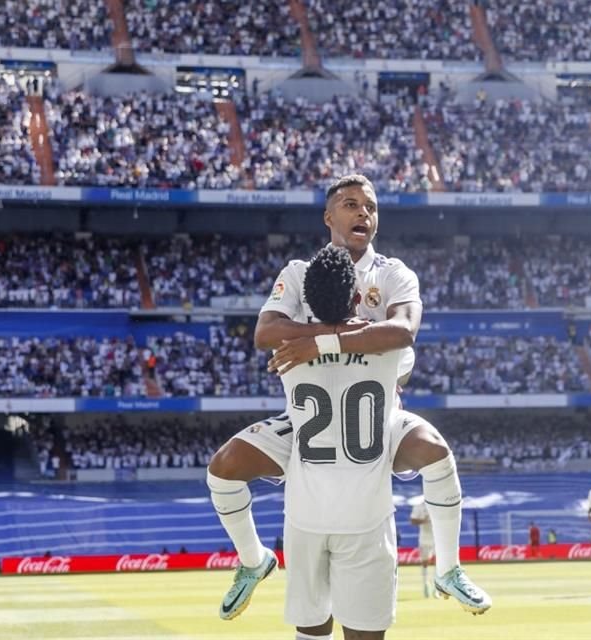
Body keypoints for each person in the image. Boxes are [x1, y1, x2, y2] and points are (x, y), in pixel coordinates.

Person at [207, 174, 490, 620]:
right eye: (351, 204)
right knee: (224, 467)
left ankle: (449, 568)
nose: (363, 212)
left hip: (379, 412)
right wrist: (337, 333)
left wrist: (320, 342)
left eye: (371, 206)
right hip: (310, 414)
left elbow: (404, 332)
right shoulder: (299, 274)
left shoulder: (393, 273)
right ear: (328, 216)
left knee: (435, 452)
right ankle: (252, 559)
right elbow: (266, 332)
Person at [279, 244, 407, 639]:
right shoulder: (390, 353)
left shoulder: (286, 353)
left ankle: (250, 557)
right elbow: (401, 349)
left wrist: (316, 339)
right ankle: (451, 566)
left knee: (310, 629)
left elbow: (271, 330)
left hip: (306, 510)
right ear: (356, 296)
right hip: (366, 511)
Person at [409, 497, 437, 598]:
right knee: (425, 562)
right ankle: (425, 584)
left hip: (437, 537)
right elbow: (412, 520)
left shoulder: (438, 504)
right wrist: (424, 520)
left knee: (438, 562)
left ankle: (436, 587)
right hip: (424, 538)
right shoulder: (419, 506)